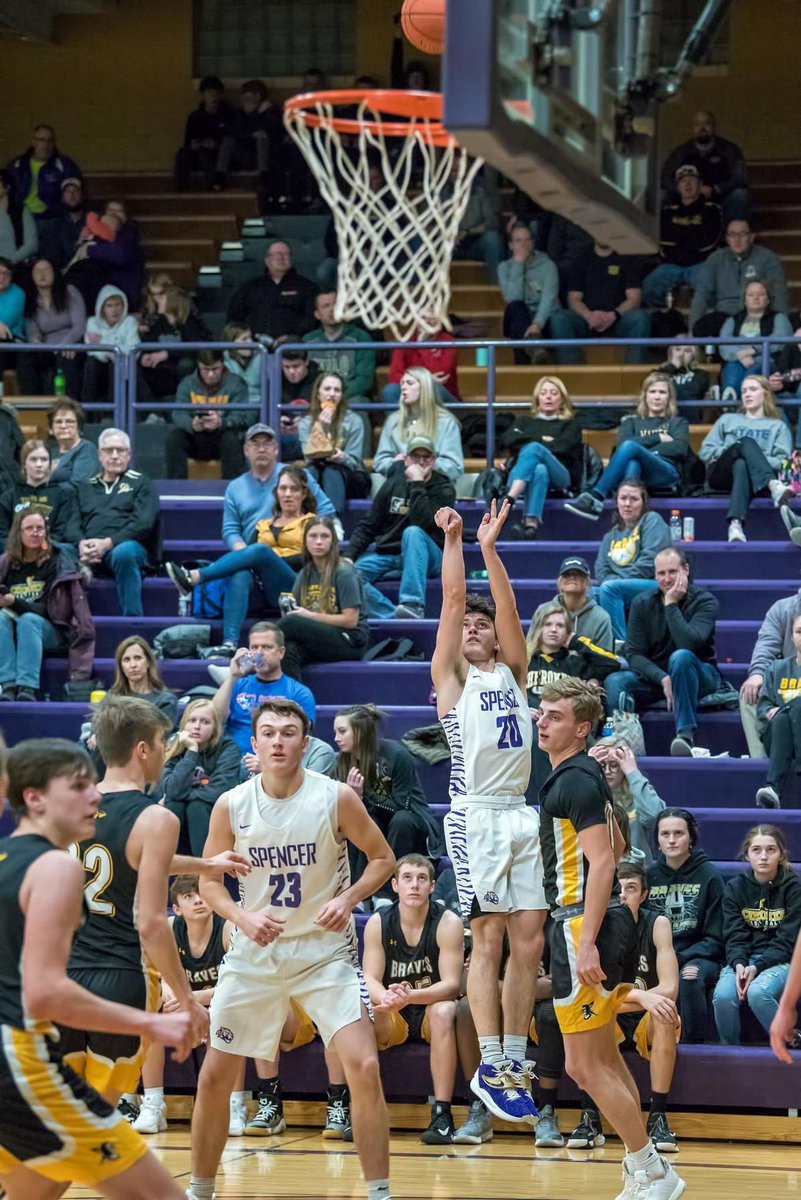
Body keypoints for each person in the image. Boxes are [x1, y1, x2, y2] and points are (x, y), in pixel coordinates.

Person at [187, 697, 396, 1200]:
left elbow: (383, 859)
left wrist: (347, 898)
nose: (278, 741)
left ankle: (380, 1193)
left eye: (288, 732)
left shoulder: (336, 797)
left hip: (323, 953)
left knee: (364, 1066)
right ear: (253, 743)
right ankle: (199, 1190)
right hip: (255, 953)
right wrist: (240, 916)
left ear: (305, 742)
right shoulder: (231, 803)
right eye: (268, 733)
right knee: (216, 1072)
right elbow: (210, 883)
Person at [0, 735, 194, 1200]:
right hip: (18, 1064)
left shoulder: (6, 861)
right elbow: (47, 991)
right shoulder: (57, 869)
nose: (95, 797)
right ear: (35, 798)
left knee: (35, 1192)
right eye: (79, 787)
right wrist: (151, 1021)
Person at [535, 677, 684, 1199]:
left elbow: (604, 861)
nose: (541, 721)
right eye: (541, 713)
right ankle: (647, 1168)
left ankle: (650, 1168)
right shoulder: (584, 777)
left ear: (581, 728)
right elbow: (618, 841)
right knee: (602, 1057)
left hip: (582, 920)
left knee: (581, 1064)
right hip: (595, 918)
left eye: (553, 715)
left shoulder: (574, 780)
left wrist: (586, 939)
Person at [433, 500, 546, 1123]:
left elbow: (508, 611)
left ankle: (511, 1058)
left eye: (484, 625)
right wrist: (454, 539)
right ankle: (492, 1065)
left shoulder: (515, 672)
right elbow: (453, 602)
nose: (475, 628)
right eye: (469, 626)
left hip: (519, 814)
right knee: (490, 937)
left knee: (528, 942)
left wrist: (491, 551)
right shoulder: (452, 679)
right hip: (473, 815)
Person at [57, 696, 213, 1103]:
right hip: (120, 977)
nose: (166, 751)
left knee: (61, 1121)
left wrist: (206, 866)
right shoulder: (156, 818)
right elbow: (151, 923)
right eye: (163, 742)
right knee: (98, 1120)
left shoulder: (69, 807)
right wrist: (184, 997)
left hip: (61, 977)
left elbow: (122, 858)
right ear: (143, 749)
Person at [362, 853, 464, 1143]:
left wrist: (410, 996)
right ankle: (363, 1110)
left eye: (421, 879)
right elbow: (369, 978)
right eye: (407, 878)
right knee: (359, 1008)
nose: (414, 885)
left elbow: (452, 985)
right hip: (393, 1009)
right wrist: (387, 998)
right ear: (394, 885)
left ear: (432, 886)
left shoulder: (448, 922)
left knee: (445, 1010)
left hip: (428, 1006)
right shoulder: (378, 922)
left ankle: (442, 1113)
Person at [168, 464, 317, 651]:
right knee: (241, 571)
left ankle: (196, 576)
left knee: (261, 552)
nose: (287, 494)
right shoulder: (263, 525)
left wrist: (269, 561)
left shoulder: (312, 523)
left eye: (294, 489)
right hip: (262, 592)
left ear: (303, 494)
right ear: (276, 492)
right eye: (283, 488)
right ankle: (229, 644)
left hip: (294, 588)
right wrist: (263, 562)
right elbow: (247, 558)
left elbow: (310, 559)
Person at [133, 874, 234, 1135]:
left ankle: (231, 1105)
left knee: (229, 1016)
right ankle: (153, 1104)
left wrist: (192, 1000)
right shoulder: (167, 929)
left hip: (215, 1006)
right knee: (150, 1016)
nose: (199, 901)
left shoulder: (227, 928)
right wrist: (167, 991)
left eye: (202, 894)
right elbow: (150, 970)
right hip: (179, 1008)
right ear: (176, 908)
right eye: (189, 896)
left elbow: (238, 985)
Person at [605, 546, 722, 756]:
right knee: (615, 681)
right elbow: (633, 653)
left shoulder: (705, 601)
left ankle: (685, 735)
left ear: (685, 570)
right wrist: (662, 677)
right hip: (659, 679)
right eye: (661, 573)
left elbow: (690, 643)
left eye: (672, 572)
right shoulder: (642, 603)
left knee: (681, 656)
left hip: (698, 675)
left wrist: (670, 605)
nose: (667, 579)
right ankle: (624, 743)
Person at [334, 706, 443, 899]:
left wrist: (361, 797)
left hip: (411, 823)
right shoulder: (342, 762)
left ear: (359, 732)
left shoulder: (397, 755)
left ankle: (386, 894)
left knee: (401, 821)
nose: (336, 738)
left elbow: (403, 806)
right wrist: (356, 801)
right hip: (377, 821)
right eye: (336, 732)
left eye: (342, 731)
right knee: (359, 822)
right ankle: (359, 892)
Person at [350, 434, 455, 620]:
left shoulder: (444, 488)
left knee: (413, 532)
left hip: (431, 556)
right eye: (416, 457)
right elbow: (369, 524)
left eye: (426, 457)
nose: (421, 462)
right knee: (350, 573)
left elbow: (425, 522)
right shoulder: (392, 484)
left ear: (434, 461)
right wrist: (348, 556)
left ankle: (413, 604)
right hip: (392, 556)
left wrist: (417, 483)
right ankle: (391, 615)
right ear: (406, 459)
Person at [615, 861, 681, 1152]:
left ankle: (658, 1116)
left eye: (630, 889)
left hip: (644, 1017)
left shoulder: (658, 923)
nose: (622, 895)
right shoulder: (596, 926)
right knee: (592, 1017)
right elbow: (587, 996)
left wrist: (625, 1003)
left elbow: (669, 988)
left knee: (666, 1011)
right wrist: (640, 998)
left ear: (643, 895)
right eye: (617, 889)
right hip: (614, 1014)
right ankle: (590, 1115)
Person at [713, 824, 801, 1044]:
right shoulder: (734, 888)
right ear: (747, 855)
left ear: (781, 854)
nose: (763, 856)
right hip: (744, 958)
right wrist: (739, 964)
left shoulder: (794, 888)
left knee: (758, 993)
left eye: (771, 850)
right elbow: (734, 935)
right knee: (723, 996)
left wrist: (758, 967)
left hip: (783, 960)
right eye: (757, 850)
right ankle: (730, 1053)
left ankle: (791, 1039)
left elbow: (788, 940)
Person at [646, 808, 725, 1044]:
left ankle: (694, 1046)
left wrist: (678, 957)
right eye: (665, 834)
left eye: (678, 833)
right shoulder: (649, 877)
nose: (671, 840)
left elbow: (716, 938)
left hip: (698, 956)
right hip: (656, 955)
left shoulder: (710, 876)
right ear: (657, 840)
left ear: (691, 838)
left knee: (689, 977)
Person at [0, 506, 94, 702]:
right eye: (29, 528)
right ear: (18, 532)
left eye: (40, 528)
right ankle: (7, 684)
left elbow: (54, 612)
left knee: (29, 620)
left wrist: (13, 601)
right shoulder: (6, 563)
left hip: (53, 629)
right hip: (12, 628)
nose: (36, 532)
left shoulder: (57, 561)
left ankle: (27, 687)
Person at [566, 374, 690, 520]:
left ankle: (596, 497)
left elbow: (679, 449)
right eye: (652, 391)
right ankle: (630, 522)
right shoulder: (631, 422)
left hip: (666, 471)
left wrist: (641, 450)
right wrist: (658, 438)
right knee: (632, 462)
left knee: (631, 449)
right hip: (638, 470)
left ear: (669, 397)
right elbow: (621, 447)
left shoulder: (678, 423)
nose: (657, 397)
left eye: (662, 392)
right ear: (645, 396)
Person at [525, 603, 620, 791]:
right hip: (531, 725)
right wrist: (521, 711)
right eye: (548, 624)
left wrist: (577, 641)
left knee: (603, 752)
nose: (553, 629)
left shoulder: (576, 663)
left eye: (560, 625)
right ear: (538, 628)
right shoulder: (523, 661)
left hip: (568, 726)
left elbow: (612, 664)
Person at [74, 428, 159, 616]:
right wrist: (81, 544)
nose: (114, 456)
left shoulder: (141, 483)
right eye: (109, 450)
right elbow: (72, 522)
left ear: (128, 455)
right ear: (99, 454)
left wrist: (107, 543)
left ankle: (133, 625)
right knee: (60, 550)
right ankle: (66, 624)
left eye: (120, 450)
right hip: (88, 549)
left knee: (124, 552)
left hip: (128, 549)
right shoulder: (84, 486)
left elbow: (143, 524)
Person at [699, 374, 793, 542]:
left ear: (765, 394)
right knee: (744, 444)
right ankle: (774, 486)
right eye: (744, 391)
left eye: (753, 389)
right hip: (722, 476)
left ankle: (735, 525)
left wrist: (753, 458)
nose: (747, 394)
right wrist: (736, 449)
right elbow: (705, 451)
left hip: (757, 482)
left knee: (742, 463)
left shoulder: (777, 426)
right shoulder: (728, 419)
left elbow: (782, 462)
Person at [278, 517, 370, 681]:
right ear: (305, 540)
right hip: (321, 636)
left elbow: (351, 620)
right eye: (313, 536)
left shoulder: (344, 572)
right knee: (289, 650)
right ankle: (291, 705)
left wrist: (309, 616)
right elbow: (294, 612)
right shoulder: (305, 573)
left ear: (333, 541)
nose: (318, 542)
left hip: (350, 641)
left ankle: (248, 663)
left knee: (292, 623)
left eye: (324, 536)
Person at [210, 621, 317, 755]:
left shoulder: (299, 692)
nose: (259, 653)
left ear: (281, 652)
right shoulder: (237, 685)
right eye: (254, 647)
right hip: (234, 762)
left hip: (276, 761)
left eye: (266, 647)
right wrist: (233, 676)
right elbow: (214, 720)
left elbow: (302, 738)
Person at [501, 375, 584, 538]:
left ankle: (509, 498)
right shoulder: (523, 421)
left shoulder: (571, 425)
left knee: (533, 449)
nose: (548, 396)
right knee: (539, 469)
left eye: (554, 393)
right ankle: (531, 525)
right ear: (537, 398)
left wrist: (533, 443)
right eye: (544, 392)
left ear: (562, 399)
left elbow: (564, 448)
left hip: (560, 475)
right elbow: (508, 439)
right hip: (527, 474)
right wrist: (542, 440)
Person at [589, 481, 671, 643]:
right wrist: (615, 583)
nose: (627, 504)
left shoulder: (651, 520)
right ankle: (596, 647)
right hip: (616, 587)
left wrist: (617, 582)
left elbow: (650, 562)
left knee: (609, 588)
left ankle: (622, 647)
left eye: (634, 499)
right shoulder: (610, 536)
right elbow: (601, 570)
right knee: (588, 593)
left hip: (653, 584)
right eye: (623, 498)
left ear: (643, 503)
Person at [158, 700, 243, 856]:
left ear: (215, 728)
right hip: (184, 817)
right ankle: (169, 869)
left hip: (215, 816)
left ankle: (204, 872)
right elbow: (172, 791)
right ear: (184, 725)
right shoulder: (175, 749)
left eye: (205, 722)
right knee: (174, 805)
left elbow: (219, 791)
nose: (197, 726)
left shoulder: (229, 749)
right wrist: (191, 752)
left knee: (196, 806)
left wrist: (184, 796)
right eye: (192, 720)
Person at [548, 242, 650, 365]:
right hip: (587, 321)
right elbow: (573, 298)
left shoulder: (627, 257)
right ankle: (570, 376)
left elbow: (634, 298)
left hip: (619, 320)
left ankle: (634, 375)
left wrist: (613, 315)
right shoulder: (581, 257)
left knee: (640, 318)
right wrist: (589, 316)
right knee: (559, 318)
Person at [689, 219, 790, 339]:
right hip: (724, 316)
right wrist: (691, 331)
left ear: (751, 237)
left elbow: (780, 295)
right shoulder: (715, 259)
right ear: (727, 238)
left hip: (757, 314)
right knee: (703, 327)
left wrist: (782, 324)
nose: (737, 239)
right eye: (732, 235)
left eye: (742, 234)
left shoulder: (768, 258)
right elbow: (701, 295)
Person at [642, 164, 722, 309]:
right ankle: (665, 318)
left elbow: (708, 242)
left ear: (700, 184)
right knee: (649, 287)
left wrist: (679, 235)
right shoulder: (667, 212)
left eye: (692, 180)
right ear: (678, 186)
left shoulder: (712, 209)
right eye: (683, 181)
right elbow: (664, 240)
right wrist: (692, 233)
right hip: (670, 265)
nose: (688, 184)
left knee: (712, 289)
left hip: (700, 265)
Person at [167, 348, 251, 479]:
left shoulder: (236, 383)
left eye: (215, 369)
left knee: (231, 439)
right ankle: (176, 489)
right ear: (198, 366)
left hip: (223, 436)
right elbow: (178, 414)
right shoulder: (187, 384)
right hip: (196, 437)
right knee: (175, 438)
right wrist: (192, 425)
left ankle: (233, 490)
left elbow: (244, 416)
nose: (211, 374)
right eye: (206, 369)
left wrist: (221, 423)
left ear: (223, 364)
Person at [4, 123, 82, 261]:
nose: (45, 144)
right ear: (33, 141)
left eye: (50, 140)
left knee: (50, 258)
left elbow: (73, 193)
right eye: (41, 140)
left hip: (53, 218)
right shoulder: (17, 165)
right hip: (23, 218)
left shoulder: (64, 164)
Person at [298, 370, 371, 514]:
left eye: (337, 390)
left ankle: (332, 519)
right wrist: (322, 428)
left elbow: (355, 461)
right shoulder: (306, 423)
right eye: (327, 389)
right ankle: (308, 519)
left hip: (351, 476)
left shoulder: (354, 421)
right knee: (310, 471)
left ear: (342, 396)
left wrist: (342, 457)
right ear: (318, 395)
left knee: (332, 471)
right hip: (318, 470)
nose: (331, 394)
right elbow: (309, 456)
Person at [373, 368, 464, 483]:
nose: (403, 387)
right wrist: (397, 463)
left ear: (425, 388)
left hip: (436, 486)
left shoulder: (446, 422)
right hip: (401, 484)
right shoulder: (393, 421)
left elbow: (455, 467)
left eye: (410, 383)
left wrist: (428, 464)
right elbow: (380, 462)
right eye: (402, 383)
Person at [741, 587, 801, 760]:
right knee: (751, 693)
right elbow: (767, 645)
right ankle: (763, 763)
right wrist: (758, 673)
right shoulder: (782, 609)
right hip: (790, 685)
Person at [660, 109, 749, 224]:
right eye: (698, 124)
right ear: (693, 128)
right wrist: (682, 189)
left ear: (714, 127)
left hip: (719, 199)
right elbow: (665, 178)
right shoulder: (681, 152)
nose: (702, 128)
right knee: (662, 195)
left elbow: (740, 178)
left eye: (706, 123)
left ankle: (732, 236)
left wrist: (716, 189)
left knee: (740, 195)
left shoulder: (729, 149)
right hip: (685, 200)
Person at [589, 737, 665, 867]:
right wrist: (585, 771)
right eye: (602, 765)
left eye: (614, 765)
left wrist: (633, 772)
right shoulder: (586, 793)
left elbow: (655, 817)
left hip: (636, 876)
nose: (607, 771)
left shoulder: (639, 795)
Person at [18, 256, 86, 397]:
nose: (42, 274)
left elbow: (79, 326)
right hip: (46, 347)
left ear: (55, 273)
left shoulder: (69, 292)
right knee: (25, 359)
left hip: (70, 343)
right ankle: (32, 407)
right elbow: (32, 333)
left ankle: (70, 406)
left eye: (47, 270)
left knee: (66, 359)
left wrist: (66, 345)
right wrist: (37, 341)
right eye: (37, 271)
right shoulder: (30, 300)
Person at [754, 611, 801, 808]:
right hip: (777, 738)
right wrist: (768, 711)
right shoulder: (777, 668)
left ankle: (772, 787)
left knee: (789, 712)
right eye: (799, 631)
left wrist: (784, 709)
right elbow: (763, 706)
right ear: (791, 636)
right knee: (782, 718)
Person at [227, 240, 317, 340]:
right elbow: (234, 317)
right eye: (275, 254)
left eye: (285, 254)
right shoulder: (250, 288)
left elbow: (312, 319)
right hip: (255, 346)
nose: (281, 258)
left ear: (291, 259)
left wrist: (292, 337)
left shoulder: (307, 287)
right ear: (267, 260)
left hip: (293, 346)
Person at [718, 280, 794, 398]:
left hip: (768, 361)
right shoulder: (733, 320)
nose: (756, 298)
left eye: (761, 294)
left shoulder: (779, 318)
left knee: (752, 373)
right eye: (751, 295)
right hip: (738, 360)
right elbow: (724, 345)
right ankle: (730, 399)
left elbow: (781, 341)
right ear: (745, 300)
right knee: (733, 371)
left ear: (768, 299)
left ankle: (743, 403)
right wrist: (741, 355)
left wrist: (754, 349)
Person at [0, 438, 81, 547]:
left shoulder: (62, 495)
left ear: (50, 463)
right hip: (15, 551)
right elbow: (3, 534)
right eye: (33, 459)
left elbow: (59, 533)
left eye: (44, 459)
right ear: (24, 463)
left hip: (50, 551)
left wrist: (40, 547)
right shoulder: (8, 497)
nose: (39, 464)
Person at [498, 222, 560, 363]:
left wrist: (537, 324)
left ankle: (528, 360)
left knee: (520, 328)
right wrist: (518, 265)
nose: (523, 244)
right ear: (510, 245)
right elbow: (513, 298)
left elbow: (548, 298)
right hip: (519, 316)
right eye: (518, 241)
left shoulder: (548, 265)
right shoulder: (504, 267)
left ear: (533, 242)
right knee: (516, 309)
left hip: (543, 318)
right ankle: (536, 349)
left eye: (527, 240)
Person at [138, 283, 211, 403]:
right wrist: (143, 357)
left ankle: (184, 404)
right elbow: (146, 343)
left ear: (173, 302)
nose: (158, 301)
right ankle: (152, 412)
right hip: (159, 370)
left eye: (162, 298)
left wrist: (166, 354)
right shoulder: (159, 323)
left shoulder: (190, 323)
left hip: (177, 369)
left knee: (186, 364)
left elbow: (193, 348)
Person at [66, 199, 144, 311]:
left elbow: (120, 255)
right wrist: (80, 242)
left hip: (121, 295)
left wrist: (88, 249)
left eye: (119, 211)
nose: (114, 213)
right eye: (110, 210)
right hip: (96, 294)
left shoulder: (129, 234)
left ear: (125, 217)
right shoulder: (96, 235)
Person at [528, 555, 614, 652]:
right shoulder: (543, 610)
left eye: (578, 574)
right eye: (567, 574)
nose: (572, 577)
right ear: (560, 583)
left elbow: (606, 659)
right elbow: (530, 647)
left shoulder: (601, 617)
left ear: (587, 582)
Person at [303, 291, 376, 403]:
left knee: (359, 403)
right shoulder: (307, 341)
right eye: (326, 306)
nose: (332, 309)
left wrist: (336, 395)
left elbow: (364, 380)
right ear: (317, 314)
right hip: (317, 399)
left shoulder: (361, 338)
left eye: (336, 305)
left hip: (350, 398)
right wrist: (321, 396)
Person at [212, 78, 278, 194]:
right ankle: (219, 177)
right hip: (246, 156)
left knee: (262, 138)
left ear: (259, 97)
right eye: (245, 98)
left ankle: (263, 178)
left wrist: (257, 114)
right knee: (229, 140)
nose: (247, 101)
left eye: (250, 97)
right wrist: (252, 131)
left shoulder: (271, 111)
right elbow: (235, 131)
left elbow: (272, 132)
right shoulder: (239, 114)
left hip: (268, 157)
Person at [81, 283, 140, 404]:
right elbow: (91, 351)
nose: (114, 310)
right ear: (102, 308)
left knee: (116, 362)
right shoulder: (92, 322)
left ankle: (114, 414)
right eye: (109, 306)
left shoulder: (130, 321)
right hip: (99, 367)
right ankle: (87, 412)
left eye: (118, 304)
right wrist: (111, 352)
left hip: (125, 367)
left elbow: (133, 348)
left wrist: (102, 344)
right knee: (91, 363)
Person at [175, 75, 233, 191]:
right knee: (183, 154)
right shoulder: (195, 117)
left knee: (204, 154)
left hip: (218, 156)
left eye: (215, 93)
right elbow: (188, 140)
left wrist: (216, 143)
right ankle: (181, 189)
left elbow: (232, 138)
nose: (212, 96)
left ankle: (213, 184)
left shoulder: (229, 114)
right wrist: (193, 145)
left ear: (220, 95)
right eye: (209, 93)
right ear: (203, 95)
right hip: (198, 154)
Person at [384, 321, 460, 404]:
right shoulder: (405, 341)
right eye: (423, 318)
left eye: (432, 319)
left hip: (443, 394)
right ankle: (399, 417)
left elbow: (440, 375)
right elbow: (394, 376)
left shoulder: (448, 341)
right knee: (391, 390)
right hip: (413, 389)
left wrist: (423, 345)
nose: (428, 323)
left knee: (434, 388)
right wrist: (421, 381)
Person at [451, 168, 505, 283]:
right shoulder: (438, 193)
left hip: (475, 243)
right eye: (453, 170)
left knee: (492, 238)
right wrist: (447, 236)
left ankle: (497, 288)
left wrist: (467, 231)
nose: (457, 174)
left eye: (460, 169)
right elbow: (426, 226)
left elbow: (493, 222)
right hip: (445, 246)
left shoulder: (481, 192)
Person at [47, 396, 101, 483]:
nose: (63, 426)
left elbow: (80, 485)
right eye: (58, 422)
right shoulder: (50, 452)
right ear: (51, 429)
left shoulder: (86, 449)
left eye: (69, 421)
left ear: (79, 426)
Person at [659, 342, 713, 409]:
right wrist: (672, 367)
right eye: (677, 349)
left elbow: (694, 393)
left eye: (687, 351)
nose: (681, 354)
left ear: (694, 356)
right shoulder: (661, 372)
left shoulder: (701, 374)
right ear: (671, 352)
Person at [0, 168, 37, 264]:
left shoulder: (21, 211)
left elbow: (31, 244)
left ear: (7, 187)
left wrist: (10, 261)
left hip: (13, 265)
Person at [0, 255, 25, 340]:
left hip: (11, 341)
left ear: (11, 277)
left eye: (6, 273)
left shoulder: (17, 293)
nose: (1, 277)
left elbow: (5, 319)